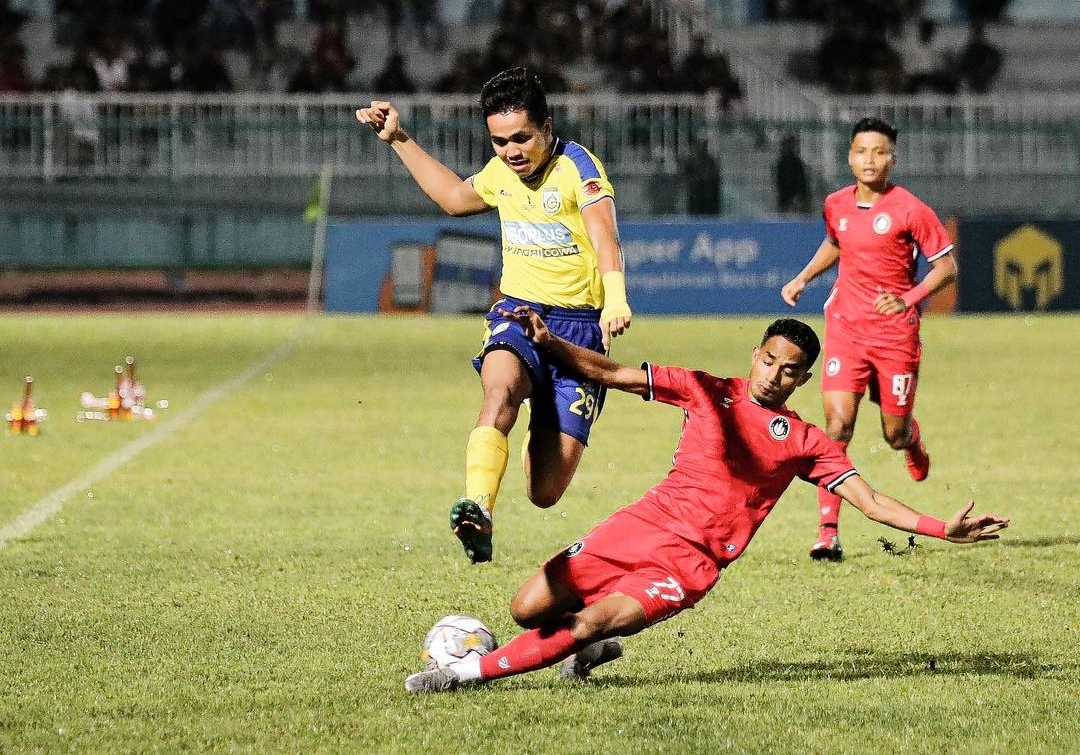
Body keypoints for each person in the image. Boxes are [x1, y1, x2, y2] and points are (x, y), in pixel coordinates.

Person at [403, 311, 1008, 693]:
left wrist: (939, 527)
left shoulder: (806, 442)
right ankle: (586, 648)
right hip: (639, 526)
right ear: (755, 355)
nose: (774, 374)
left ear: (803, 379)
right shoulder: (705, 389)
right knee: (526, 609)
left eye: (789, 370)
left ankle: (460, 675)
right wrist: (553, 342)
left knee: (586, 617)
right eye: (768, 360)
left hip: (687, 565)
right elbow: (611, 373)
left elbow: (872, 502)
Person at [356, 67, 632, 564]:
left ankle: (538, 407)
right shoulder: (501, 172)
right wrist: (398, 138)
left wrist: (615, 298)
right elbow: (453, 199)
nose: (512, 151)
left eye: (522, 138)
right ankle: (478, 510)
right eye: (500, 141)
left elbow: (603, 235)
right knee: (499, 388)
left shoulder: (577, 168)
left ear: (547, 128)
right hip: (520, 313)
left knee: (544, 491)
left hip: (579, 330)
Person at [780, 117, 958, 562]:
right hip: (845, 328)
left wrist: (909, 298)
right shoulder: (836, 203)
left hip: (895, 335)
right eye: (862, 151)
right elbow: (836, 243)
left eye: (880, 152)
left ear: (893, 159)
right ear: (850, 156)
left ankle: (911, 440)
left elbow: (946, 268)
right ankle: (827, 531)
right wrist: (803, 277)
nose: (870, 160)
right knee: (838, 426)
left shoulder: (911, 209)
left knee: (893, 434)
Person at [774, 133, 810, 214]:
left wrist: (800, 197)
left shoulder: (797, 163)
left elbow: (802, 182)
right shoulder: (782, 164)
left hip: (796, 197)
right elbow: (780, 182)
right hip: (786, 199)